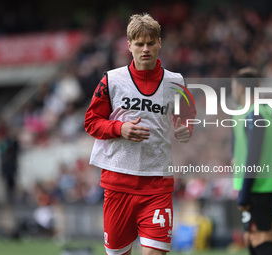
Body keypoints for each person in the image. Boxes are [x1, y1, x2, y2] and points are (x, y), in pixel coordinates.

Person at [84, 13, 195, 255]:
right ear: (129, 45)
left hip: (157, 185)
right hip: (118, 185)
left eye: (150, 43)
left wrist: (184, 129)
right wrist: (119, 128)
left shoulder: (176, 81)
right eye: (139, 44)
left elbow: (187, 118)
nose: (145, 49)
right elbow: (91, 122)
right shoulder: (111, 80)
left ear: (159, 43)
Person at [231, 67, 272, 255]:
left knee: (263, 237)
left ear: (240, 88)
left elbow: (256, 157)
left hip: (261, 185)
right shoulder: (243, 113)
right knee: (261, 237)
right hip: (259, 183)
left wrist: (245, 192)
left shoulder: (259, 114)